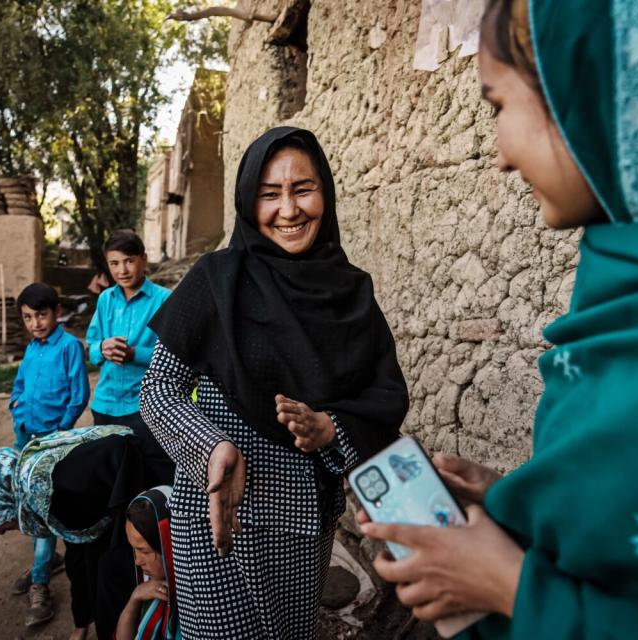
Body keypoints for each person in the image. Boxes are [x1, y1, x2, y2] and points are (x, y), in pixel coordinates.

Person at [359, 0, 638, 638]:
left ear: (591, 89)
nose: (500, 155)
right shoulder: (634, 284)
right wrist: (523, 504)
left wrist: (507, 583)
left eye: (500, 105)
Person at [140, 127, 410, 639]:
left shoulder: (351, 294)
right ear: (248, 201)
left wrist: (331, 428)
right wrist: (211, 447)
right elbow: (158, 390)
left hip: (303, 527)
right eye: (269, 194)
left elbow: (383, 399)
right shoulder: (216, 279)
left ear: (325, 194)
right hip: (218, 515)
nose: (289, 210)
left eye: (302, 189)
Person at [0, 426, 175, 640]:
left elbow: (120, 449)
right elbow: (77, 550)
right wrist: (81, 624)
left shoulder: (47, 483)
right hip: (121, 495)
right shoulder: (42, 495)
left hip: (148, 485)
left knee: (114, 570)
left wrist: (133, 529)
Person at [9, 282, 90, 626]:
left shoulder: (70, 346)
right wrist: (16, 409)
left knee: (45, 507)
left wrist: (62, 428)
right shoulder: (31, 349)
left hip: (52, 442)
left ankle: (40, 582)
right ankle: (47, 561)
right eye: (28, 317)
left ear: (56, 313)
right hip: (24, 435)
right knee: (27, 503)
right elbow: (20, 385)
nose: (36, 323)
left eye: (41, 315)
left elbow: (79, 393)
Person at [87, 231, 172, 457]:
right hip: (105, 404)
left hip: (144, 406)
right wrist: (103, 347)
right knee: (106, 470)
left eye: (129, 261)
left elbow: (175, 356)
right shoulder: (106, 299)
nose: (122, 271)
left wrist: (135, 354)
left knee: (144, 470)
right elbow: (92, 346)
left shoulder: (163, 299)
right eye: (114, 263)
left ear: (143, 259)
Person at [116, 486, 180, 640]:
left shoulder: (195, 601)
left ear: (169, 544)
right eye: (134, 550)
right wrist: (135, 598)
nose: (137, 561)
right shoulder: (150, 587)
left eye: (144, 551)